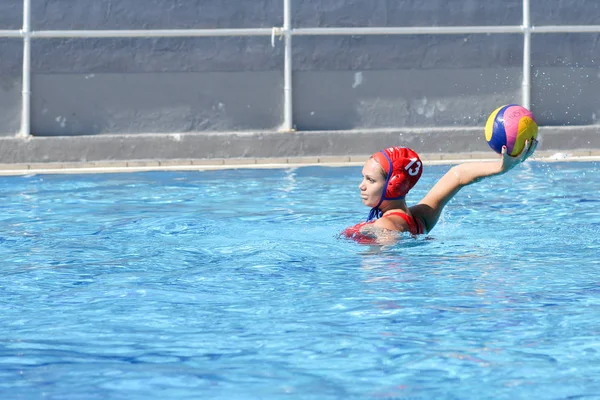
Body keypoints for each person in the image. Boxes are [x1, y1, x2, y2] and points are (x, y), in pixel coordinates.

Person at [342, 140, 538, 244]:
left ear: (393, 185)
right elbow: (457, 176)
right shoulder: (421, 218)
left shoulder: (386, 225)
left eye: (370, 180)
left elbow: (386, 267)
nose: (362, 185)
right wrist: (501, 168)